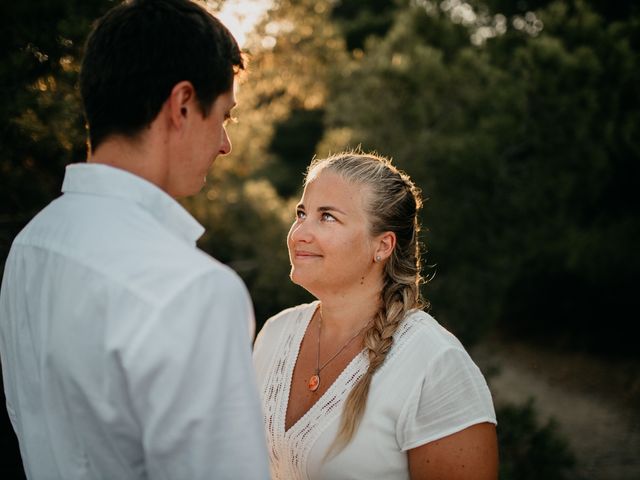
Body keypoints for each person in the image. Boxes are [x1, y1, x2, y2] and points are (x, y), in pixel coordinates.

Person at [0, 1, 269, 478]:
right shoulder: (196, 291)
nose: (225, 144)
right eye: (225, 116)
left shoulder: (31, 245)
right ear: (182, 105)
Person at [253, 152, 498, 479]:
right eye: (302, 213)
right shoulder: (275, 333)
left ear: (382, 246)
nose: (299, 234)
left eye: (327, 217)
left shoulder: (436, 364)